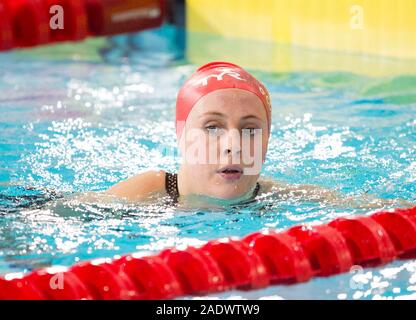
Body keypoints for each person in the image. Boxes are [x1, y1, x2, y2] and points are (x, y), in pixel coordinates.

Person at [95, 61, 412, 209]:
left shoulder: (277, 196)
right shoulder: (150, 192)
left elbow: (375, 207)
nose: (233, 145)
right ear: (181, 137)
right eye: (213, 127)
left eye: (249, 129)